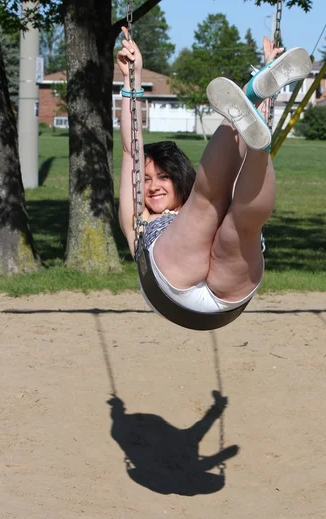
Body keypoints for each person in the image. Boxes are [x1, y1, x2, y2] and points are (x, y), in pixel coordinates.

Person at [118, 28, 312, 316]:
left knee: (240, 221)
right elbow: (131, 151)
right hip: (170, 284)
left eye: (163, 177)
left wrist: (269, 71)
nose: (152, 187)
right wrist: (131, 78)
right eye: (145, 179)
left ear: (179, 178)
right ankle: (251, 97)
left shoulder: (190, 215)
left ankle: (257, 125)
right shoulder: (139, 219)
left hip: (229, 290)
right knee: (208, 204)